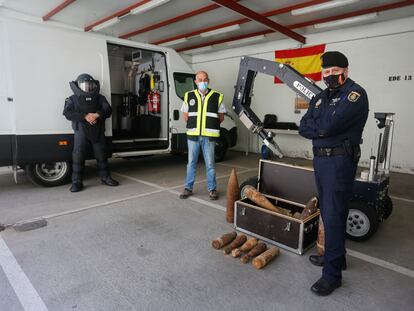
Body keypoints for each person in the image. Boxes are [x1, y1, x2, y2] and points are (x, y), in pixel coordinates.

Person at [299, 51, 368, 296]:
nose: (329, 76)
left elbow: (328, 125)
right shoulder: (320, 97)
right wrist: (321, 129)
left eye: (334, 72)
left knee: (333, 214)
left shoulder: (355, 95)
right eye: (325, 72)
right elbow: (303, 127)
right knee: (330, 213)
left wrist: (320, 128)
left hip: (339, 162)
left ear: (345, 72)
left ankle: (332, 275)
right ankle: (337, 259)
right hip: (321, 162)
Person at [63, 73, 119, 192]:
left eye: (89, 85)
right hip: (81, 132)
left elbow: (108, 110)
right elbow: (67, 113)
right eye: (84, 85)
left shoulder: (100, 97)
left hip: (98, 131)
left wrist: (97, 114)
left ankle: (105, 178)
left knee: (101, 155)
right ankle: (77, 182)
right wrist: (85, 116)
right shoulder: (72, 98)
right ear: (78, 86)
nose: (87, 87)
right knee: (78, 156)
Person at [179, 71, 226, 200]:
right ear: (195, 82)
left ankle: (212, 190)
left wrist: (208, 127)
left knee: (210, 164)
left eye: (205, 79)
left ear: (208, 81)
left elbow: (220, 118)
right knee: (191, 163)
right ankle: (188, 188)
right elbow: (185, 115)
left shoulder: (217, 96)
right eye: (200, 80)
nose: (202, 82)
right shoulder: (189, 96)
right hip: (193, 137)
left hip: (209, 137)